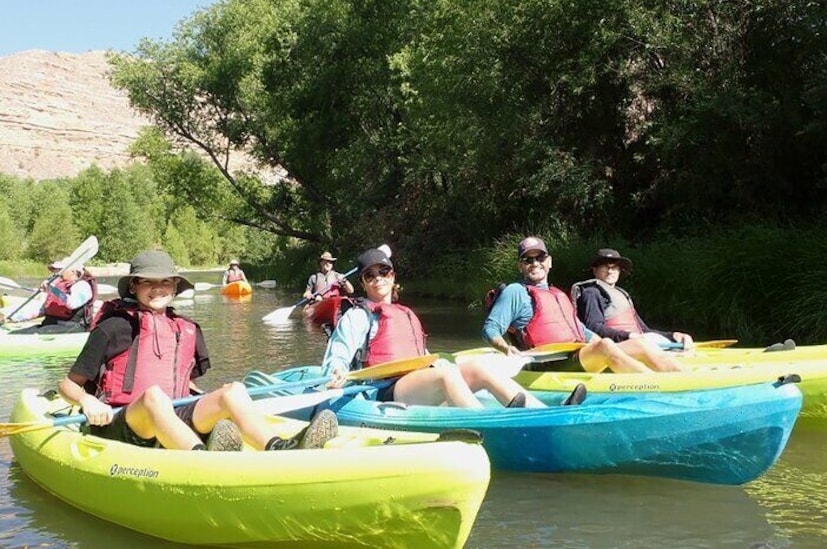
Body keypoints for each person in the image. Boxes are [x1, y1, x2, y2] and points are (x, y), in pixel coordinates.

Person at [57, 249, 338, 452]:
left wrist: (212, 401)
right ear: (134, 286)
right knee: (154, 398)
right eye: (148, 282)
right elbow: (67, 385)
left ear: (175, 286)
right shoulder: (114, 326)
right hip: (125, 421)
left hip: (173, 417)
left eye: (166, 282)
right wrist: (88, 402)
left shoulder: (185, 328)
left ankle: (280, 449)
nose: (158, 289)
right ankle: (200, 459)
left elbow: (183, 380)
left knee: (233, 390)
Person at [323, 247, 586, 407]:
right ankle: (487, 426)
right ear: (363, 283)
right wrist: (336, 372)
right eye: (370, 275)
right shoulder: (358, 316)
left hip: (416, 381)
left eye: (383, 272)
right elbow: (338, 355)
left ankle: (541, 411)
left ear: (392, 276)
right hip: (383, 390)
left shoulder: (403, 313)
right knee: (446, 376)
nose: (377, 278)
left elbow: (420, 356)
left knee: (478, 368)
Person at [482, 237, 685, 373]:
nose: (535, 264)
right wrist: (505, 349)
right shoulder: (514, 292)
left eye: (540, 258)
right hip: (550, 364)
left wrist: (616, 347)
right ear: (520, 266)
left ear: (549, 261)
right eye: (528, 260)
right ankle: (656, 384)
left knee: (639, 343)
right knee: (605, 345)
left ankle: (681, 376)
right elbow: (490, 329)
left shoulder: (557, 293)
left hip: (577, 354)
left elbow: (582, 331)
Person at [572, 248, 694, 350]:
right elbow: (594, 328)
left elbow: (644, 330)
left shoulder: (621, 293)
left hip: (637, 342)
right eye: (605, 267)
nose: (610, 271)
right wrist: (629, 336)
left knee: (678, 342)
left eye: (614, 268)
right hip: (618, 347)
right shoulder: (591, 293)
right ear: (595, 270)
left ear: (620, 271)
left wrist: (672, 336)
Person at [0, 259, 98, 334]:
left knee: (28, 335)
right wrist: (10, 317)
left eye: (60, 270)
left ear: (73, 271)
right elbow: (42, 310)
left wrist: (53, 290)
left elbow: (72, 304)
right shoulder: (59, 285)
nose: (56, 273)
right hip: (50, 324)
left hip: (72, 327)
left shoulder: (82, 286)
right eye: (56, 270)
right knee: (16, 333)